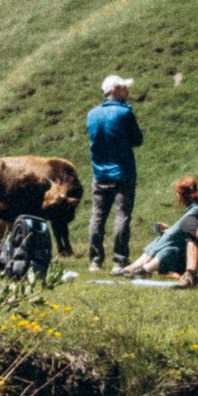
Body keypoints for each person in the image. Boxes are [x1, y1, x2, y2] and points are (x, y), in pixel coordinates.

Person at [85, 74, 143, 268]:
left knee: (98, 216)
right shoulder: (124, 113)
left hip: (99, 173)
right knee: (122, 215)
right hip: (123, 173)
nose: (128, 91)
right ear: (115, 90)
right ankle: (119, 259)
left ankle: (95, 259)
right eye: (124, 88)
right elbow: (137, 139)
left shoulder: (92, 114)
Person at [122, 175, 198, 276]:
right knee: (167, 241)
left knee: (170, 245)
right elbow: (179, 230)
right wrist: (169, 230)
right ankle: (139, 267)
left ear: (182, 195)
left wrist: (151, 255)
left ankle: (143, 267)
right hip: (192, 245)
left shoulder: (195, 210)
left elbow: (175, 232)